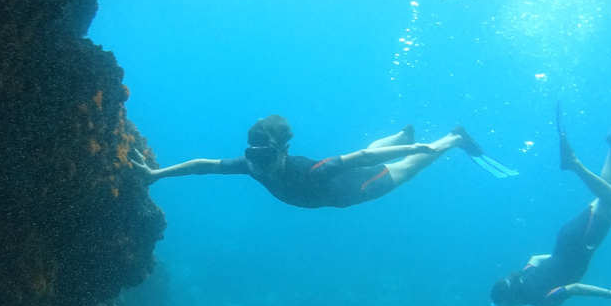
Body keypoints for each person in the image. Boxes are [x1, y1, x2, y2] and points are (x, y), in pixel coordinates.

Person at [132, 115, 517, 209]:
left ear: (283, 150)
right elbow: (204, 164)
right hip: (350, 175)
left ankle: (453, 138)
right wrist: (155, 174)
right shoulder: (251, 164)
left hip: (359, 188)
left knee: (413, 166)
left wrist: (413, 152)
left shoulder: (309, 169)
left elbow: (364, 158)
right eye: (253, 153)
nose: (258, 162)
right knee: (372, 154)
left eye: (266, 154)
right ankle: (403, 135)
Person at [490, 88, 611, 306]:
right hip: (565, 239)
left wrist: (610, 294)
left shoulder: (541, 300)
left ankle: (574, 164)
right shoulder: (521, 275)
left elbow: (575, 288)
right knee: (604, 196)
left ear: (512, 301)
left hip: (583, 244)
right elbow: (536, 258)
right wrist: (560, 258)